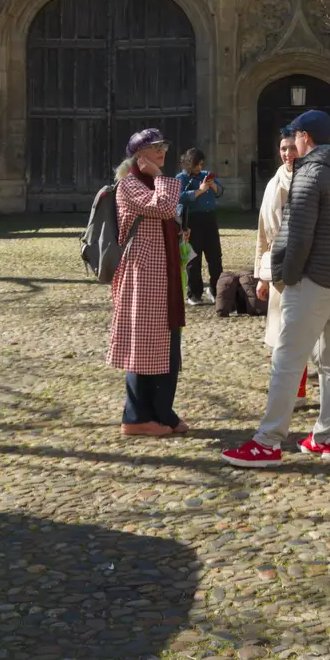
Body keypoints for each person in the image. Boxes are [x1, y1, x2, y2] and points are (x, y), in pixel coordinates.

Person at [222, 109, 330, 467]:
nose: (292, 144)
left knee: (287, 360)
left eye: (295, 136)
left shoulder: (309, 173)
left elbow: (295, 234)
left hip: (311, 278)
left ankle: (268, 441)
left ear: (306, 138)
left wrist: (284, 275)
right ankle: (327, 437)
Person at [107, 127, 188, 437]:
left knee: (167, 345)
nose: (162, 152)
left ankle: (162, 412)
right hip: (142, 277)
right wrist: (158, 175)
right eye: (155, 148)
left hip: (163, 275)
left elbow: (168, 213)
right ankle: (136, 415)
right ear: (139, 156)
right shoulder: (128, 186)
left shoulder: (153, 184)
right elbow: (165, 207)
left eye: (163, 146)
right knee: (143, 346)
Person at [255, 127, 308, 402]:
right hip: (277, 267)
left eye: (292, 147)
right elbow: (264, 232)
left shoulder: (310, 180)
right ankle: (294, 393)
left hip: (306, 266)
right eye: (283, 148)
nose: (288, 154)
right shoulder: (273, 183)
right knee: (283, 334)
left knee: (310, 334)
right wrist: (262, 276)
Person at [176, 147, 224, 305]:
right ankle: (194, 293)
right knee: (193, 259)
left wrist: (213, 186)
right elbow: (178, 197)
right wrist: (199, 191)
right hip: (192, 221)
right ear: (190, 164)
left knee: (215, 257)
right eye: (197, 165)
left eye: (202, 164)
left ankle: (216, 290)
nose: (200, 168)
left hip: (210, 219)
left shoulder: (206, 175)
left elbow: (220, 191)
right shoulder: (181, 178)